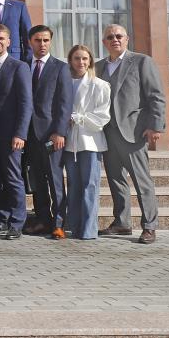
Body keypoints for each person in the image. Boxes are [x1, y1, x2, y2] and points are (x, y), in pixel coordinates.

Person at [96, 25, 166, 244]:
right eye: (110, 37)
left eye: (119, 36)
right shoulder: (98, 66)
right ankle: (122, 222)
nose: (115, 39)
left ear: (127, 39)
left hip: (132, 131)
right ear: (104, 42)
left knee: (141, 181)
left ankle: (149, 226)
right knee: (116, 180)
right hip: (107, 133)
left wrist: (155, 126)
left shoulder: (142, 61)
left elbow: (156, 96)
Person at [0, 23, 33, 239]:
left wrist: (20, 133)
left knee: (13, 178)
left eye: (1, 38)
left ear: (9, 42)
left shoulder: (19, 67)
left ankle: (16, 222)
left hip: (11, 135)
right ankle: (1, 220)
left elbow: (26, 103)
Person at [24, 25, 74, 239]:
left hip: (51, 135)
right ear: (30, 42)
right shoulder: (23, 65)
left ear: (50, 42)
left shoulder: (60, 68)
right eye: (37, 40)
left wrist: (59, 132)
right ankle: (43, 220)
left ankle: (59, 223)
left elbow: (65, 102)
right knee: (36, 180)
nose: (42, 44)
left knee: (55, 180)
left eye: (45, 40)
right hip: (29, 134)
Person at [65, 44, 112, 240]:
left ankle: (88, 230)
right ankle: (74, 227)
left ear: (90, 61)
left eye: (84, 58)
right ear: (70, 61)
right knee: (73, 185)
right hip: (69, 143)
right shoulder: (66, 82)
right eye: (77, 58)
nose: (81, 62)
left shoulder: (100, 85)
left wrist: (78, 118)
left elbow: (102, 117)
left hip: (90, 142)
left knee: (90, 186)